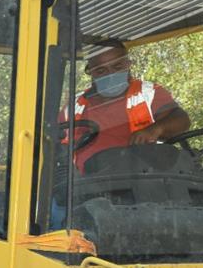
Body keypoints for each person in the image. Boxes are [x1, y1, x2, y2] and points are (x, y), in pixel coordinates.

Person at [66, 41, 191, 171]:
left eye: (117, 67)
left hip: (141, 182)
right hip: (83, 185)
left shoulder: (148, 93)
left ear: (128, 65)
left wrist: (155, 129)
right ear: (90, 72)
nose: (111, 75)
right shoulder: (74, 107)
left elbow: (181, 120)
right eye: (101, 70)